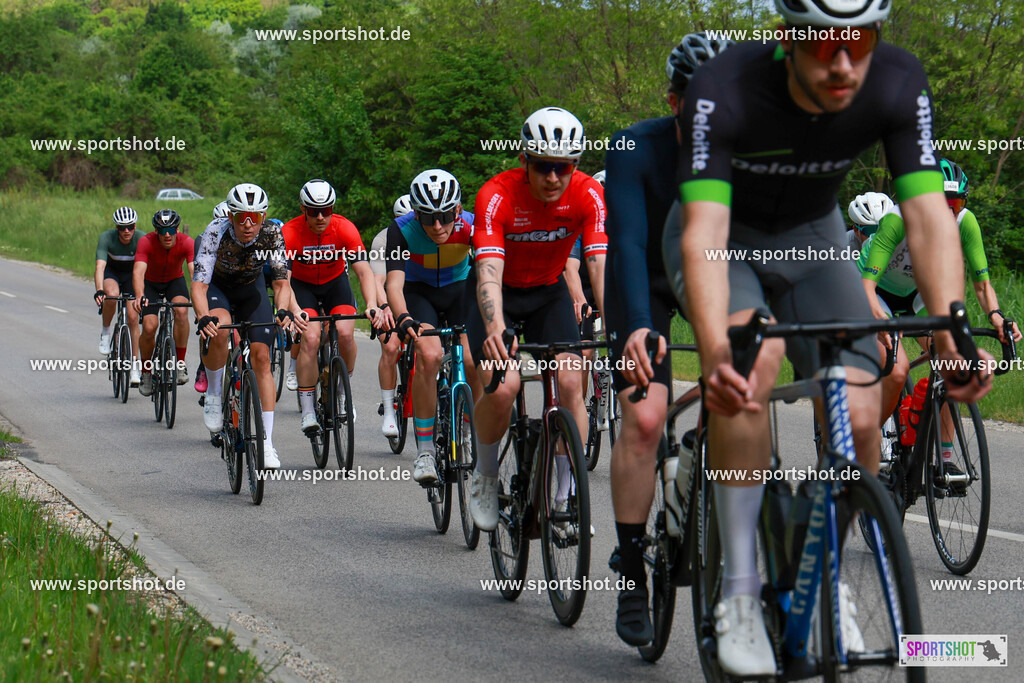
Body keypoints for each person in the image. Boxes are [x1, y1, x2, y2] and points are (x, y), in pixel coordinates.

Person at [672, 2, 992, 674]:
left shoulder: (899, 81)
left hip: (815, 239)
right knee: (747, 370)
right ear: (787, 37)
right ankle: (737, 590)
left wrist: (954, 330)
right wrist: (712, 347)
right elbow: (703, 233)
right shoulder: (723, 88)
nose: (843, 63)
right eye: (822, 44)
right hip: (724, 237)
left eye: (860, 40)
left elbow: (928, 216)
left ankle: (819, 571)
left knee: (867, 391)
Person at [603, 32, 732, 646]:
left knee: (738, 401)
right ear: (673, 101)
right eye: (696, 102)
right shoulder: (635, 144)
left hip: (714, 276)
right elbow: (625, 241)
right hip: (645, 283)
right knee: (647, 416)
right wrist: (633, 326)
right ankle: (631, 567)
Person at [467, 106, 607, 531]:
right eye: (543, 166)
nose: (552, 178)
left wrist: (619, 327)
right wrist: (495, 330)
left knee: (569, 382)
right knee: (505, 385)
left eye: (562, 167)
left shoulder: (587, 195)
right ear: (524, 161)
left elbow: (598, 266)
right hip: (499, 295)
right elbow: (488, 274)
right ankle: (486, 476)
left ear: (576, 166)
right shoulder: (497, 195)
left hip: (548, 294)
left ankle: (564, 498)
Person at [860, 159, 1021, 473]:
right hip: (874, 291)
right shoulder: (898, 219)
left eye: (956, 203)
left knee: (952, 362)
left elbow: (983, 283)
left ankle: (943, 461)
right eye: (940, 203)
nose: (949, 212)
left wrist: (998, 318)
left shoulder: (965, 222)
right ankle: (866, 442)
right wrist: (883, 324)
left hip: (916, 296)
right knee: (896, 368)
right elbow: (867, 288)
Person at [192, 183, 305, 469]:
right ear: (230, 215)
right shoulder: (214, 232)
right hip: (218, 287)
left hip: (251, 290)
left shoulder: (271, 234)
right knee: (222, 326)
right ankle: (215, 395)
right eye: (241, 216)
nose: (247, 224)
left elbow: (281, 282)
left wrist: (282, 311)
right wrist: (204, 315)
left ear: (263, 217)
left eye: (254, 217)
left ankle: (266, 443)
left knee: (262, 358)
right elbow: (198, 284)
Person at [384, 170, 477, 483]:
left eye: (444, 217)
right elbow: (394, 284)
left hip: (460, 290)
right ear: (416, 213)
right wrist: (403, 317)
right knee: (430, 355)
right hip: (419, 293)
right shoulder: (400, 229)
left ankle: (466, 431)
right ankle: (425, 451)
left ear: (457, 210)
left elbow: (490, 272)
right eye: (428, 218)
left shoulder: (473, 226)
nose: (437, 226)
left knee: (469, 358)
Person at [282, 179, 387, 436]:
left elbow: (364, 272)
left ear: (333, 208)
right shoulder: (290, 231)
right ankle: (308, 411)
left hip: (334, 285)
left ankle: (342, 394)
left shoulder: (345, 228)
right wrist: (290, 309)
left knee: (346, 333)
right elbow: (283, 280)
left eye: (326, 210)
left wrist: (371, 305)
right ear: (302, 209)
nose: (320, 217)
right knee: (310, 337)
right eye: (313, 211)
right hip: (302, 287)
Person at [132, 209, 195, 395]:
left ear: (177, 229)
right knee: (150, 327)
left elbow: (194, 273)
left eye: (171, 230)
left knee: (182, 312)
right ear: (156, 231)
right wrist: (139, 295)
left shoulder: (187, 243)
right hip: (150, 284)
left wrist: (201, 302)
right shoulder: (146, 242)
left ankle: (180, 363)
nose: (167, 235)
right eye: (161, 230)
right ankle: (146, 371)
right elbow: (138, 272)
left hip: (175, 282)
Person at [368, 195, 413, 438]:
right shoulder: (383, 239)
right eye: (400, 220)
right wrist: (384, 307)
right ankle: (388, 410)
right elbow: (377, 280)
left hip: (416, 296)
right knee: (391, 346)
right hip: (389, 297)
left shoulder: (426, 233)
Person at [95, 206, 143, 386]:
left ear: (135, 225)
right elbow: (100, 267)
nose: (126, 231)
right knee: (112, 295)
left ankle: (135, 366)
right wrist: (100, 290)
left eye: (130, 226)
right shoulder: (106, 238)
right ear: (116, 228)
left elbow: (145, 269)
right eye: (122, 227)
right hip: (112, 273)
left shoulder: (141, 238)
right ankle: (106, 332)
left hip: (132, 276)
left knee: (132, 317)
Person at [193, 202, 233, 394]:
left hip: (236, 287)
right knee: (209, 326)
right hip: (212, 285)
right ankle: (204, 365)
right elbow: (197, 273)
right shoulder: (204, 239)